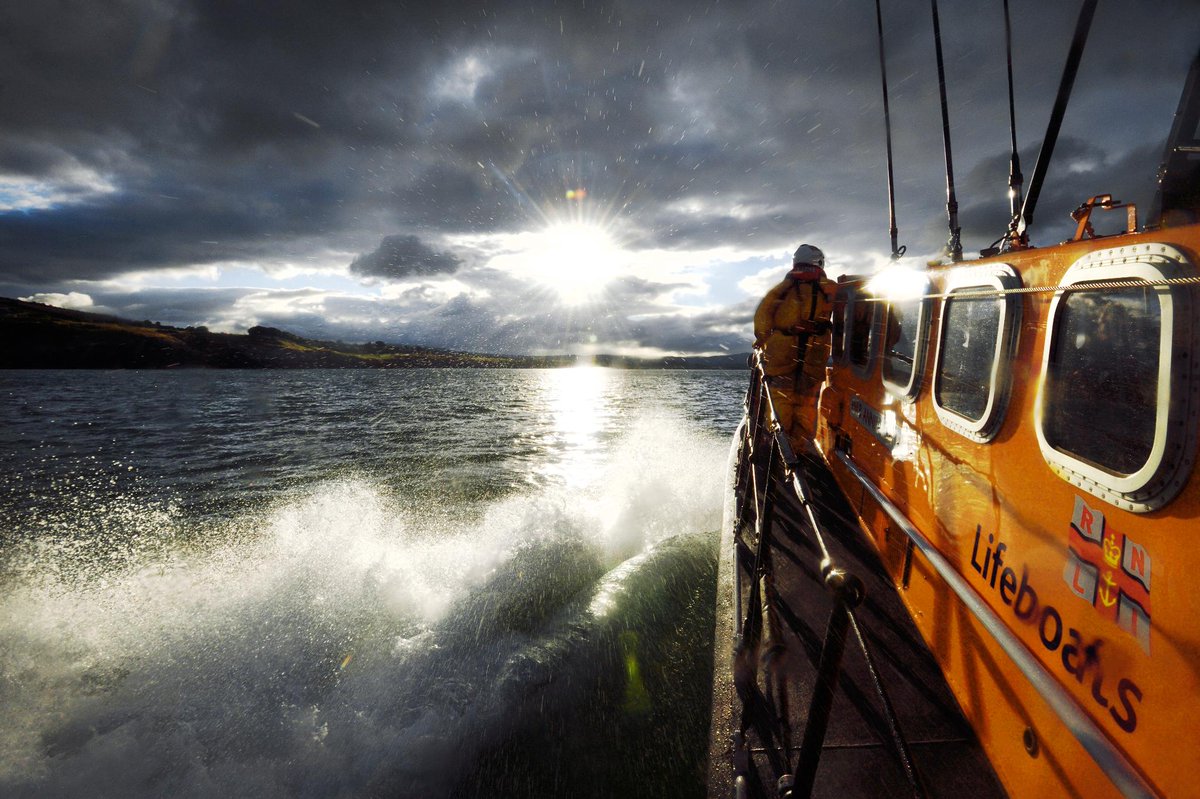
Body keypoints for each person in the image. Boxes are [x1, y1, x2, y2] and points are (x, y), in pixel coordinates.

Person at [752, 244, 835, 438]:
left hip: (781, 352)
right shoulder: (830, 288)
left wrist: (763, 339)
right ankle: (799, 447)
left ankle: (779, 439)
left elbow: (763, 314)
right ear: (819, 262)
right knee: (807, 402)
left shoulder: (782, 289)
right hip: (815, 352)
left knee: (781, 398)